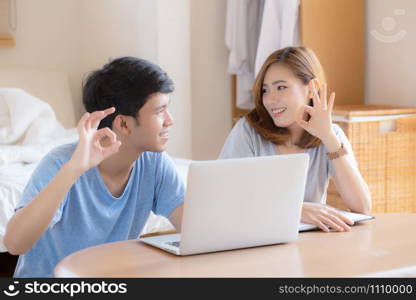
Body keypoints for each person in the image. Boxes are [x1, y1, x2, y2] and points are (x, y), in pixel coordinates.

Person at [4, 57, 184, 277]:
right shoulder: (60, 163)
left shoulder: (154, 163)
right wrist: (73, 170)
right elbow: (15, 244)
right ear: (123, 124)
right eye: (159, 112)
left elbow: (195, 229)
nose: (170, 120)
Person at [219, 46, 371, 232]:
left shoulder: (331, 135)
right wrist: (294, 210)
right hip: (256, 241)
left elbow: (362, 207)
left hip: (309, 245)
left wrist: (328, 137)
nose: (270, 99)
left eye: (281, 87)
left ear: (311, 89)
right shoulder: (247, 131)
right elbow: (227, 201)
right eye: (265, 90)